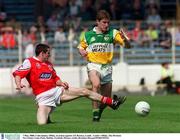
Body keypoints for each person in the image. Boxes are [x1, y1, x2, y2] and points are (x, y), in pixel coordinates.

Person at [12, 43, 126, 125]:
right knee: (41, 125)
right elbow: (18, 74)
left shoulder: (48, 64)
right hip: (43, 98)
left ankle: (112, 102)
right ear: (42, 53)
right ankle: (47, 117)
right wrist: (18, 84)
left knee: (84, 91)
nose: (49, 55)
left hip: (57, 92)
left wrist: (61, 83)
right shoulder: (29, 62)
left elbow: (55, 78)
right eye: (48, 53)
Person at [78, 10, 131, 122]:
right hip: (93, 65)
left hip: (107, 67)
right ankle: (95, 117)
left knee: (106, 99)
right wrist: (82, 51)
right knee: (95, 85)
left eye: (108, 22)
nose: (106, 25)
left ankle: (103, 109)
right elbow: (80, 47)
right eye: (104, 22)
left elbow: (128, 47)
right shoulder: (88, 35)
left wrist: (125, 39)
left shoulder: (113, 33)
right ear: (97, 22)